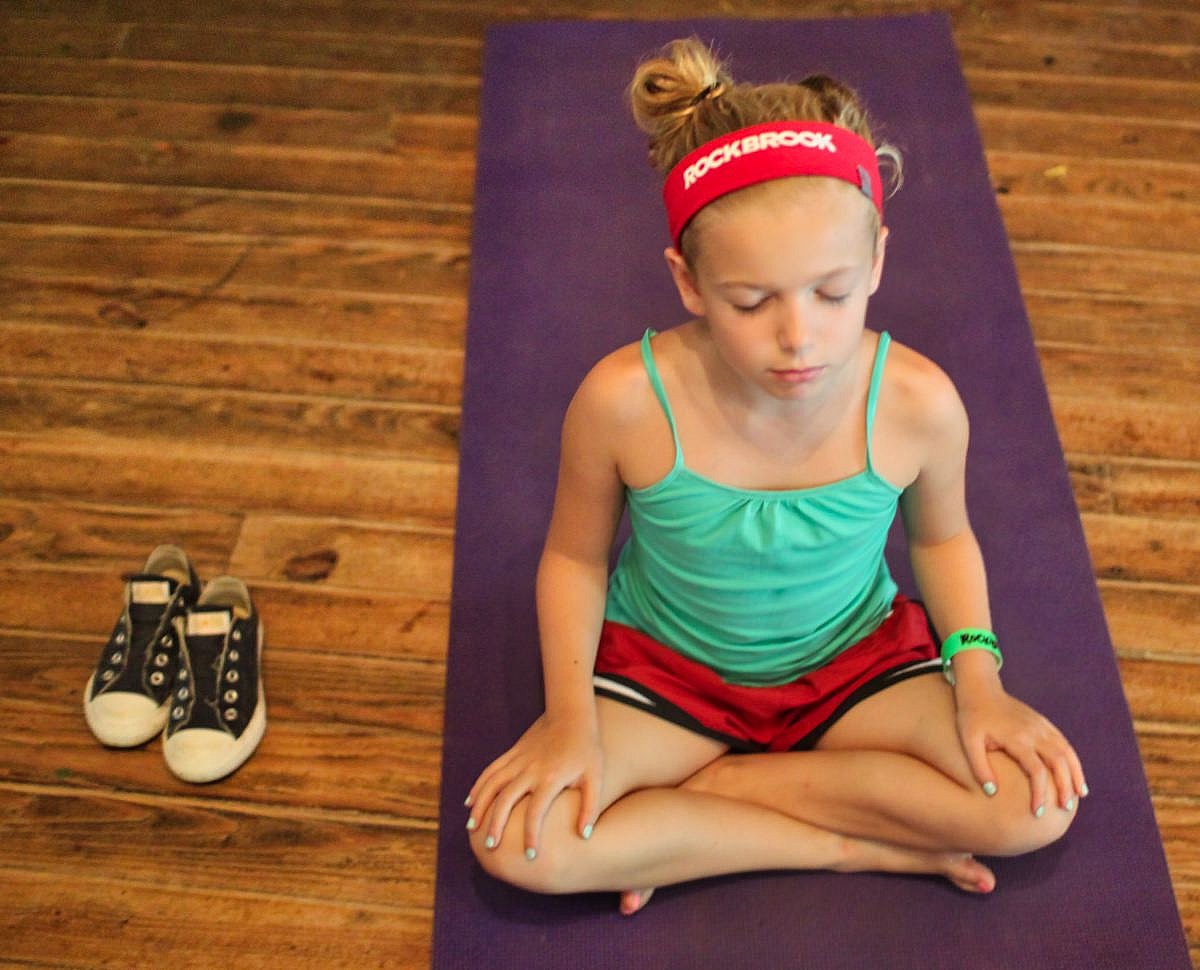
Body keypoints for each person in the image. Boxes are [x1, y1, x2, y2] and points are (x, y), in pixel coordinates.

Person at [465, 37, 1087, 916]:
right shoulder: (622, 401)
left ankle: (704, 810)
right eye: (751, 303)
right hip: (668, 676)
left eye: (832, 294)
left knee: (1036, 803)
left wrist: (979, 682)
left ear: (875, 260)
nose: (799, 337)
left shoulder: (918, 403)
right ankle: (839, 844)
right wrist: (570, 720)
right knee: (519, 839)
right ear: (688, 282)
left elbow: (944, 538)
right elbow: (573, 560)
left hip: (853, 666)